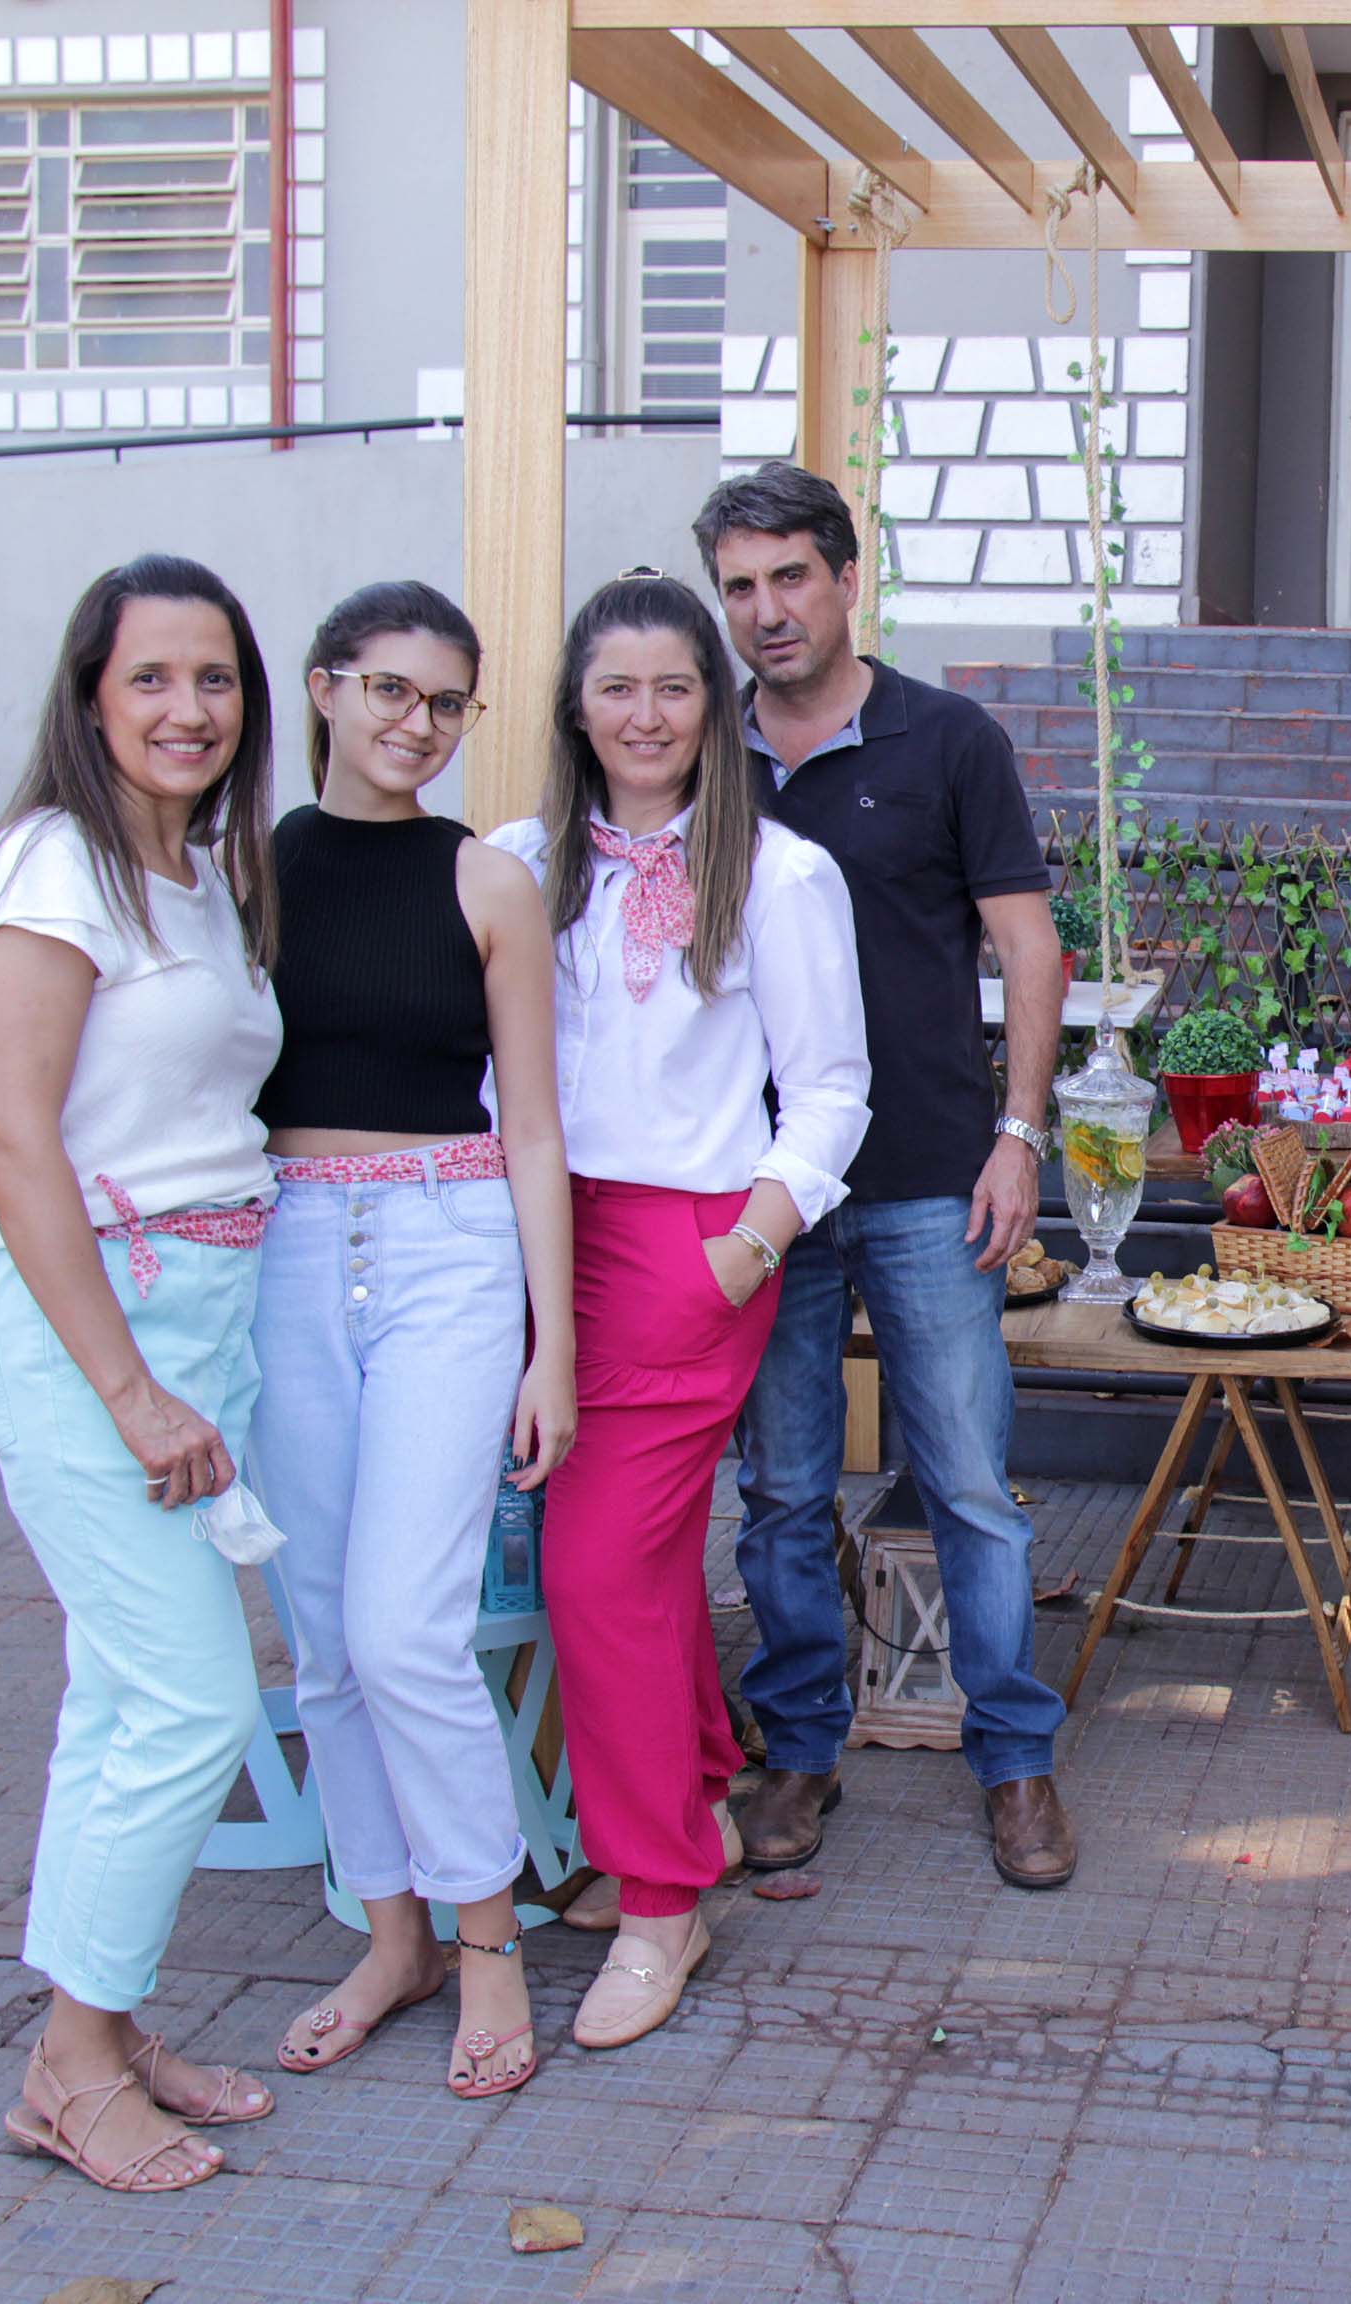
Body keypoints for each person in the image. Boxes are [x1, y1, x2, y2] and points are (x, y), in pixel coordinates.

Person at [0, 556, 286, 2191]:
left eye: (214, 679)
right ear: (89, 696)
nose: (188, 709)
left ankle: (104, 2029)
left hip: (197, 1314)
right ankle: (69, 2068)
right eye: (151, 678)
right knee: (195, 1703)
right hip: (90, 1339)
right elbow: (12, 1142)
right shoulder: (46, 868)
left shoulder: (195, 872)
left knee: (126, 1696)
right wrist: (132, 1390)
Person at [487, 571, 871, 2049]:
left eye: (673, 686)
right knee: (624, 1573)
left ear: (713, 708)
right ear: (576, 709)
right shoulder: (516, 863)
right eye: (617, 688)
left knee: (598, 1570)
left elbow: (830, 1085)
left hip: (684, 1253)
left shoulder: (778, 873)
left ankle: (661, 1900)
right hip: (532, 1236)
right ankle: (697, 1805)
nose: (645, 715)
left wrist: (750, 1245)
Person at [690, 463, 1078, 1890]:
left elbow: (1029, 950)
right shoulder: (702, 755)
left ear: (848, 578)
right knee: (784, 1490)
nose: (767, 610)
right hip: (764, 1188)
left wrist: (1020, 1136)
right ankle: (801, 1748)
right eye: (739, 587)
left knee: (968, 1481)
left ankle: (1015, 1757)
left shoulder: (948, 739)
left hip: (928, 1174)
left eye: (791, 576)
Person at [249, 582, 574, 2099]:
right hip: (281, 1250)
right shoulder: (241, 876)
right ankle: (394, 1938)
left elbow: (535, 1131)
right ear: (325, 687)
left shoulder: (488, 882)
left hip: (448, 1247)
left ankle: (487, 1937)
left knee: (403, 1630)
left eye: (448, 702)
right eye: (390, 690)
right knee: (325, 1636)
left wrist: (551, 1347)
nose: (418, 724)